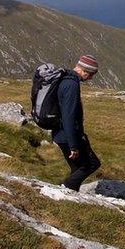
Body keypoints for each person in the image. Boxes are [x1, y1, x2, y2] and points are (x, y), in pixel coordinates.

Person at [53, 54, 102, 191]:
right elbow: (68, 116)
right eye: (91, 74)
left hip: (60, 134)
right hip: (68, 136)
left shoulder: (65, 80)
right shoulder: (71, 85)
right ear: (84, 70)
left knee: (76, 168)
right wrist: (73, 145)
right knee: (91, 164)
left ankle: (71, 195)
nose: (91, 78)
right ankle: (65, 188)